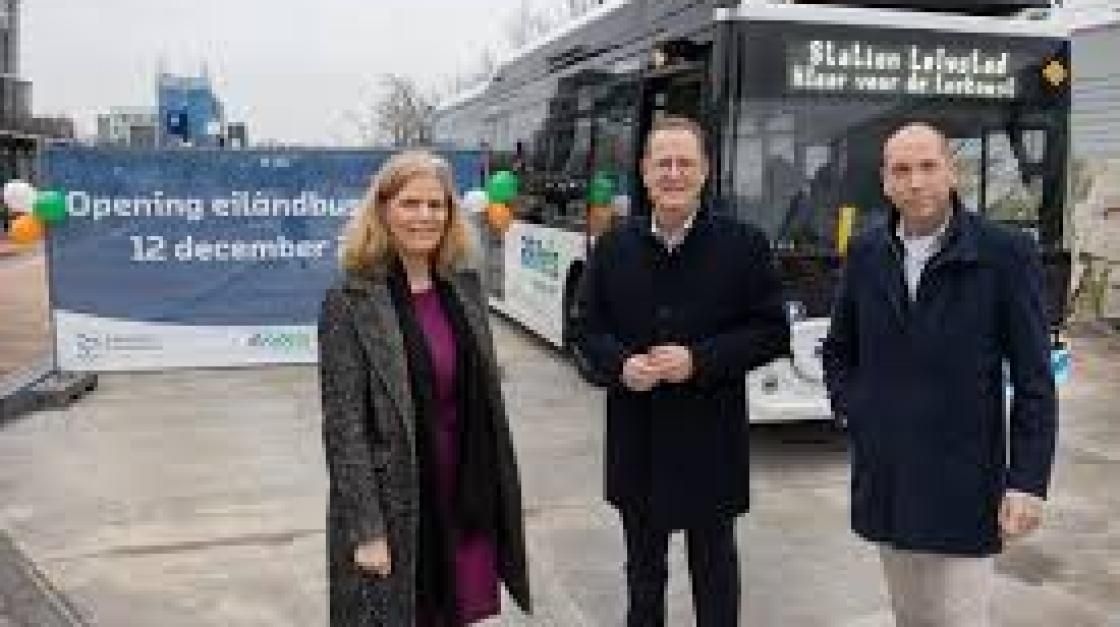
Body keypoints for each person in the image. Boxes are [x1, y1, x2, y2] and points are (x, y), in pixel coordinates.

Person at [822, 122, 1058, 626]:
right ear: (885, 182)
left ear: (952, 172)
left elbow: (1035, 379)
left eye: (928, 166)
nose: (916, 182)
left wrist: (1028, 481)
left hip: (965, 487)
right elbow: (839, 350)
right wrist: (857, 411)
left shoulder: (1004, 254)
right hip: (888, 481)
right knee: (909, 616)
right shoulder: (866, 252)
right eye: (901, 170)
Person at [575, 116, 791, 627]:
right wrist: (620, 365)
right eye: (663, 163)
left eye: (685, 163)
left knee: (715, 576)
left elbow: (771, 332)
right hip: (637, 445)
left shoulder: (745, 245)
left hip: (711, 445)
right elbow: (584, 330)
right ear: (645, 171)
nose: (673, 173)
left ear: (705, 171)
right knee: (643, 579)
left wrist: (699, 360)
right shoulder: (612, 247)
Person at [318, 150, 531, 626]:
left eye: (436, 205)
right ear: (383, 210)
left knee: (456, 612)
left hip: (467, 493)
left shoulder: (464, 287)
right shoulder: (350, 301)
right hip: (396, 504)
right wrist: (367, 530)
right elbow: (344, 428)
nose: (425, 216)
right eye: (410, 203)